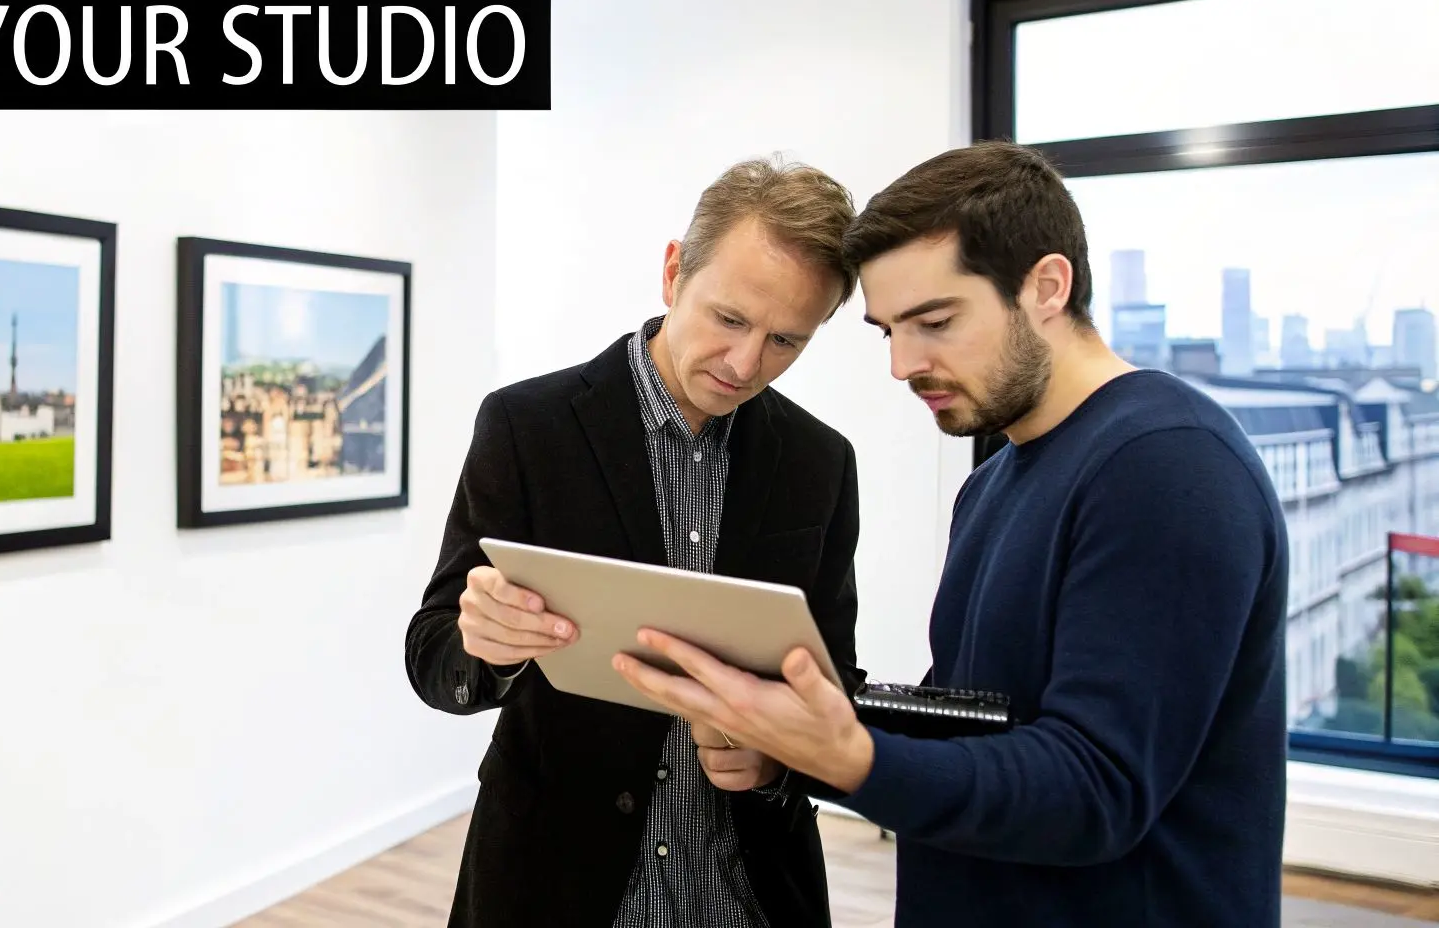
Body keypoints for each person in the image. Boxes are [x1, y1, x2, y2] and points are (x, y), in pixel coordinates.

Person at [614, 139, 1290, 927]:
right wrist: (796, 735)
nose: (903, 364)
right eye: (888, 331)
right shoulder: (996, 482)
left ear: (1046, 286)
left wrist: (851, 756)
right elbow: (976, 725)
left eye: (934, 322)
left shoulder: (1168, 468)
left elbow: (1096, 788)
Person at [403, 154, 868, 928]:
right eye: (728, 319)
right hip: (556, 886)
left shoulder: (821, 462)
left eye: (787, 340)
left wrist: (778, 762)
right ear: (673, 271)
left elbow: (834, 681)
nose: (746, 364)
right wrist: (489, 644)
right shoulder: (527, 427)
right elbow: (433, 655)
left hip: (746, 892)